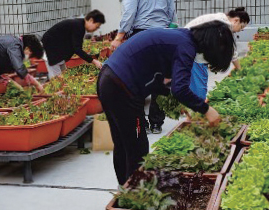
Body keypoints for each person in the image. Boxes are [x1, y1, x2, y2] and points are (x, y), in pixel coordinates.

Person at [97, 22, 235, 185]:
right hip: (121, 87)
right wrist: (206, 109)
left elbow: (159, 80)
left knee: (123, 142)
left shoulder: (181, 38)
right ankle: (133, 192)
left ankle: (125, 189)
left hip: (108, 80)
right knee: (137, 146)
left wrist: (180, 102)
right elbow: (180, 89)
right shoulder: (186, 46)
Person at [110, 0, 178, 134]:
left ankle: (142, 123)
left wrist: (119, 36)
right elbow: (172, 13)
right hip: (163, 35)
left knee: (138, 80)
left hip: (142, 35)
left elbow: (129, 11)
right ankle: (157, 123)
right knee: (160, 79)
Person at [185, 7, 251, 99]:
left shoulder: (220, 19)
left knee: (193, 84)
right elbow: (231, 52)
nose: (239, 31)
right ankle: (198, 109)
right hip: (192, 53)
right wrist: (239, 69)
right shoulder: (223, 24)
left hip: (191, 50)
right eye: (241, 27)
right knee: (199, 90)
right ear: (236, 20)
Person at [41, 10, 106, 79]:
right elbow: (77, 49)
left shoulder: (79, 24)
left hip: (57, 52)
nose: (96, 29)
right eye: (96, 26)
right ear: (90, 20)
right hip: (52, 52)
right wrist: (93, 61)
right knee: (57, 81)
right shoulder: (78, 26)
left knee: (64, 77)